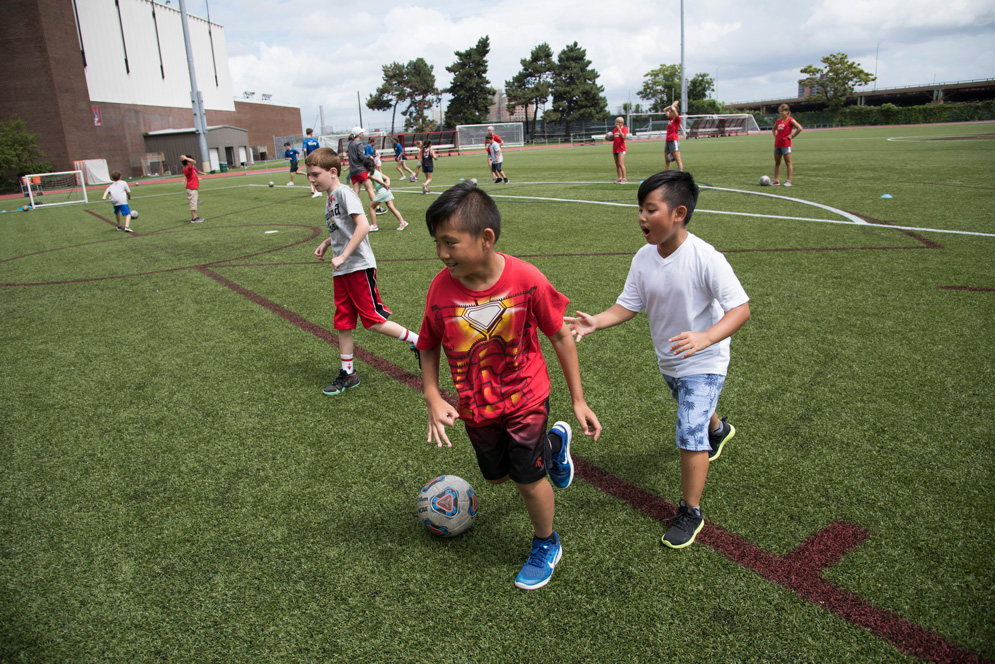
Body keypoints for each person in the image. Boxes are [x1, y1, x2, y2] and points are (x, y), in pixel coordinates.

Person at [416, 182, 602, 590]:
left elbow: (560, 336)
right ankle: (554, 446)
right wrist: (432, 394)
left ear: (486, 239)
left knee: (527, 480)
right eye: (437, 244)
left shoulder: (526, 278)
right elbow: (426, 343)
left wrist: (578, 399)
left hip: (526, 398)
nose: (442, 254)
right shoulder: (440, 289)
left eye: (450, 242)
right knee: (496, 477)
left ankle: (545, 543)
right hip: (477, 407)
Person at [564, 171, 750, 550]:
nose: (642, 217)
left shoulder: (705, 257)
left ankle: (690, 511)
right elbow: (629, 305)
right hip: (671, 361)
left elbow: (741, 308)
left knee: (687, 431)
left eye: (651, 209)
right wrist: (596, 321)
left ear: (679, 212)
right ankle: (717, 430)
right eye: (640, 209)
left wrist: (706, 337)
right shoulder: (645, 257)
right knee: (690, 408)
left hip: (706, 358)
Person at [305, 147, 420, 395]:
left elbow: (363, 225)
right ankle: (348, 373)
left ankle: (419, 341)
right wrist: (327, 243)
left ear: (332, 171)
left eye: (315, 174)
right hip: (342, 269)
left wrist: (344, 255)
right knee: (343, 321)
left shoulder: (344, 193)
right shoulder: (331, 197)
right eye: (308, 175)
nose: (311, 179)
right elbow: (343, 229)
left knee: (373, 321)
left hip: (357, 265)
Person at [363, 156, 408, 231]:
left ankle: (374, 226)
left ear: (366, 167)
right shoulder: (377, 172)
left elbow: (377, 180)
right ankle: (402, 222)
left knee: (371, 207)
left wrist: (385, 184)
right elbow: (387, 178)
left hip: (382, 191)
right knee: (391, 207)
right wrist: (387, 184)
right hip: (386, 191)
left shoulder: (369, 174)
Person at [773, 103, 803, 187]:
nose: (781, 113)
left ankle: (788, 181)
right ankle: (776, 180)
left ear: (787, 111)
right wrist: (776, 137)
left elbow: (799, 128)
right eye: (780, 112)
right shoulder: (778, 121)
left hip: (786, 144)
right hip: (778, 144)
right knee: (777, 162)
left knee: (788, 163)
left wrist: (792, 136)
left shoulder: (790, 120)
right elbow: (773, 129)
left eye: (782, 111)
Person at [347, 127, 377, 206]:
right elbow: (360, 156)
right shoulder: (358, 143)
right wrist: (368, 157)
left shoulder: (350, 144)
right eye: (361, 132)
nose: (362, 134)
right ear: (359, 134)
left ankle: (353, 209)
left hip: (353, 171)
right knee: (370, 188)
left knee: (356, 192)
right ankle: (377, 208)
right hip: (360, 170)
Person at [180, 155, 205, 223]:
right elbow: (193, 161)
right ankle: (194, 218)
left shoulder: (187, 168)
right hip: (191, 188)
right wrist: (185, 158)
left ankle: (195, 216)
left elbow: (193, 161)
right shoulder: (188, 168)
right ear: (187, 162)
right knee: (193, 203)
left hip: (192, 187)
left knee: (193, 203)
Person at [365, 138, 386, 215]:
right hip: (369, 164)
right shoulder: (368, 146)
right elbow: (367, 155)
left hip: (371, 164)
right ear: (372, 142)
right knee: (369, 188)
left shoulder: (371, 147)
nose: (375, 143)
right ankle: (377, 208)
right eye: (375, 142)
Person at [664, 100, 684, 172]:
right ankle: (666, 175)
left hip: (674, 140)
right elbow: (665, 110)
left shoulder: (677, 119)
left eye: (671, 111)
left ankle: (680, 174)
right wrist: (671, 106)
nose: (670, 112)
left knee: (678, 160)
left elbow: (673, 109)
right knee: (667, 160)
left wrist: (674, 105)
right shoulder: (670, 119)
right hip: (668, 141)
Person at [303, 128, 322, 198]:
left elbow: (305, 150)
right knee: (314, 174)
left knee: (311, 176)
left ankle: (317, 191)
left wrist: (306, 157)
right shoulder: (315, 141)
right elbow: (319, 150)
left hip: (310, 160)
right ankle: (317, 189)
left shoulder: (305, 141)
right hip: (316, 159)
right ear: (312, 133)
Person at [610, 117, 629, 184]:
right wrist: (608, 137)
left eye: (618, 122)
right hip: (615, 148)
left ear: (622, 123)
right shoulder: (614, 130)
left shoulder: (624, 128)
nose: (617, 123)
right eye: (616, 122)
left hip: (621, 148)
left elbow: (623, 136)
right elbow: (613, 138)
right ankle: (620, 178)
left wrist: (619, 130)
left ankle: (624, 179)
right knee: (617, 164)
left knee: (621, 163)